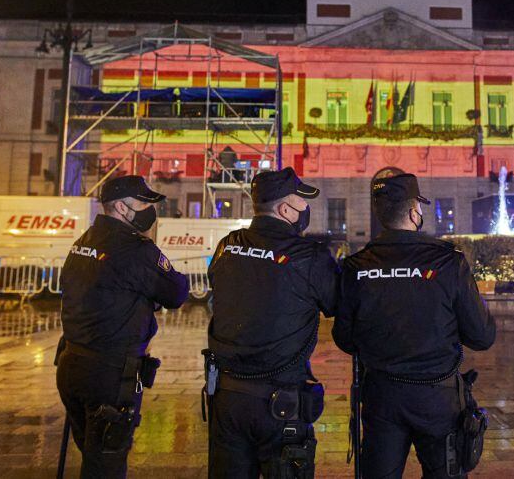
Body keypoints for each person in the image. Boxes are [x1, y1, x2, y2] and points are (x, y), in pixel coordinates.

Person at [333, 173, 497, 478]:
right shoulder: (448, 262)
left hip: (382, 396)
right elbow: (482, 336)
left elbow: (344, 337)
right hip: (438, 398)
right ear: (413, 212)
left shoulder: (357, 266)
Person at [204, 167, 339, 477]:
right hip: (280, 404)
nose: (306, 209)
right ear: (284, 209)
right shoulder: (309, 256)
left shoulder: (227, 245)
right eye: (301, 201)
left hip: (228, 399)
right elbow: (337, 306)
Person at [56, 175, 189, 478]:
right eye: (143, 203)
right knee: (106, 464)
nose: (148, 211)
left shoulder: (84, 241)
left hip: (71, 365)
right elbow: (177, 292)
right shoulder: (135, 249)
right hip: (110, 373)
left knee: (93, 455)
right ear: (121, 207)